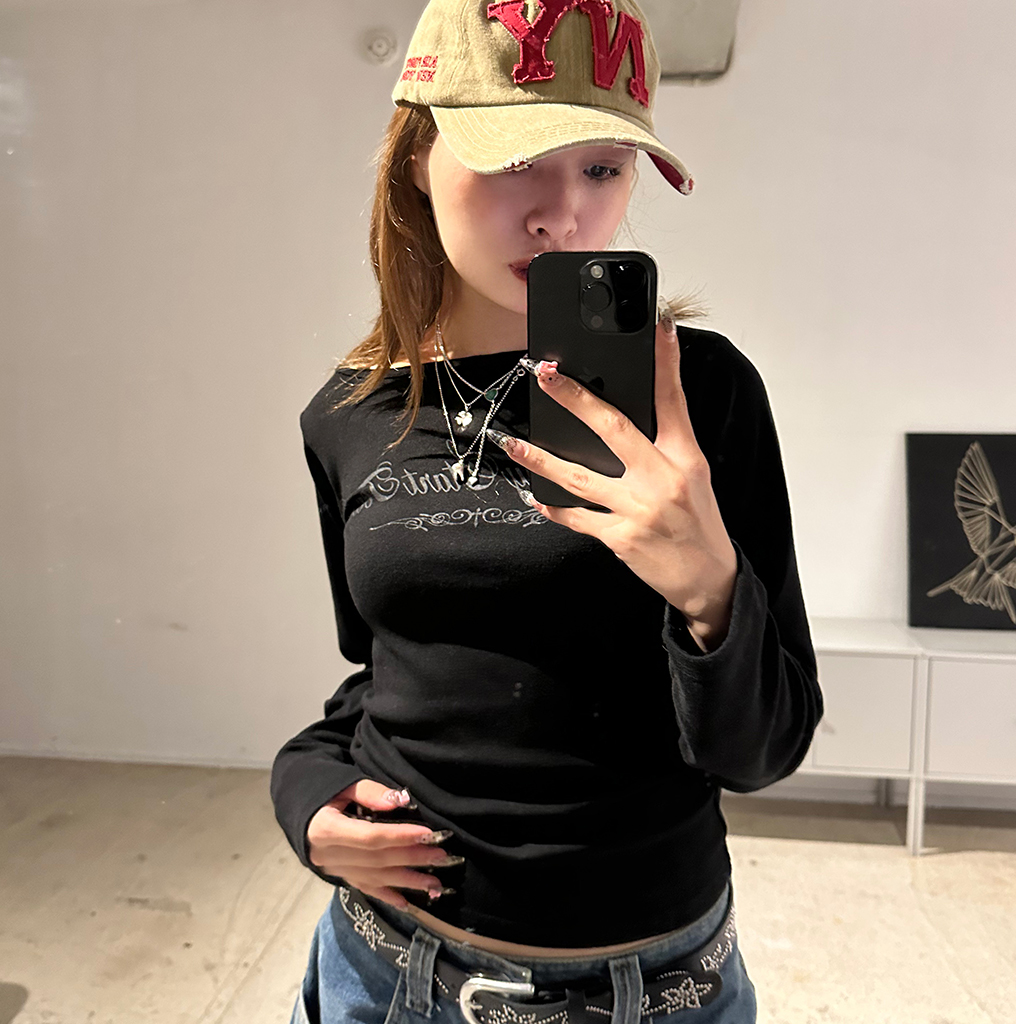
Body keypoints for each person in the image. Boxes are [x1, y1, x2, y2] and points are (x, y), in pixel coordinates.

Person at [270, 2, 821, 1022]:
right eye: (517, 161)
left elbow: (763, 749)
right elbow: (382, 676)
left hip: (658, 988)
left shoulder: (701, 395)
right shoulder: (348, 414)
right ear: (416, 159)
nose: (562, 215)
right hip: (384, 972)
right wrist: (303, 791)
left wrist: (710, 588)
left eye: (603, 168)